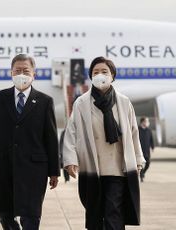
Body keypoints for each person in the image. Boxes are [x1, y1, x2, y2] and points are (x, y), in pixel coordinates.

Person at [63, 56, 146, 230]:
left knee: (113, 212)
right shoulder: (81, 103)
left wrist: (138, 159)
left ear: (112, 76)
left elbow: (133, 132)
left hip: (117, 169)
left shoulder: (123, 102)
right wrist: (70, 159)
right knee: (94, 213)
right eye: (95, 72)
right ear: (90, 76)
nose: (100, 75)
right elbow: (71, 132)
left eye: (104, 72)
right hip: (93, 168)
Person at [0, 54, 60, 230]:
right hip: (4, 165)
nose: (21, 74)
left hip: (34, 169)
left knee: (31, 216)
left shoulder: (45, 101)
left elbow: (51, 139)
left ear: (34, 75)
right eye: (17, 71)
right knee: (5, 214)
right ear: (11, 73)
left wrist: (54, 171)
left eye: (25, 71)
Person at [138, 117, 154, 182]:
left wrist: (152, 147)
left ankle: (143, 173)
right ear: (142, 122)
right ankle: (141, 176)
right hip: (140, 150)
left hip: (147, 150)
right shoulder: (138, 130)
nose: (147, 123)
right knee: (141, 164)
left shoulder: (149, 130)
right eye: (146, 121)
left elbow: (151, 139)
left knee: (148, 164)